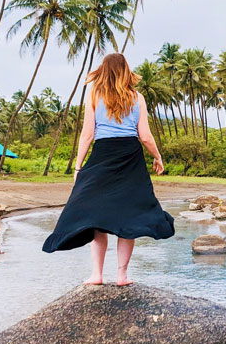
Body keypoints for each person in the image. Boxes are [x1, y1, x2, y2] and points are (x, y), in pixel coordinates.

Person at [42, 53, 175, 285]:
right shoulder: (138, 98)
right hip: (130, 156)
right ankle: (122, 276)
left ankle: (97, 274)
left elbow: (88, 135)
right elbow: (144, 135)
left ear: (103, 71)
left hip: (102, 154)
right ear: (125, 71)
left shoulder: (94, 94)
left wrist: (78, 166)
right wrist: (158, 156)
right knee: (130, 217)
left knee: (96, 215)